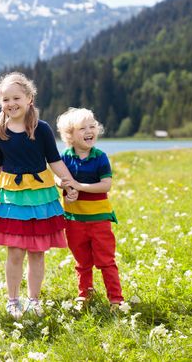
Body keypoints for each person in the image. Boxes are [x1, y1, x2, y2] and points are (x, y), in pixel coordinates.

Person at [0, 72, 76, 319]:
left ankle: (34, 300)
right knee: (14, 252)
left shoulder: (41, 129)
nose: (11, 104)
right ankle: (12, 301)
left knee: (37, 252)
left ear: (29, 99)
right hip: (12, 197)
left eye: (16, 98)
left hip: (40, 195)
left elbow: (54, 161)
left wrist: (69, 183)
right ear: (0, 102)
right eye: (5, 100)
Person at [56, 107, 124, 307]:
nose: (89, 131)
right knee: (82, 260)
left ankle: (116, 298)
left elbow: (106, 185)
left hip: (99, 219)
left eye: (92, 126)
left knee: (106, 260)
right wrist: (66, 185)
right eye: (82, 128)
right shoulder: (65, 157)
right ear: (70, 135)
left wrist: (79, 186)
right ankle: (85, 293)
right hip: (74, 219)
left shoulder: (100, 157)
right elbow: (56, 177)